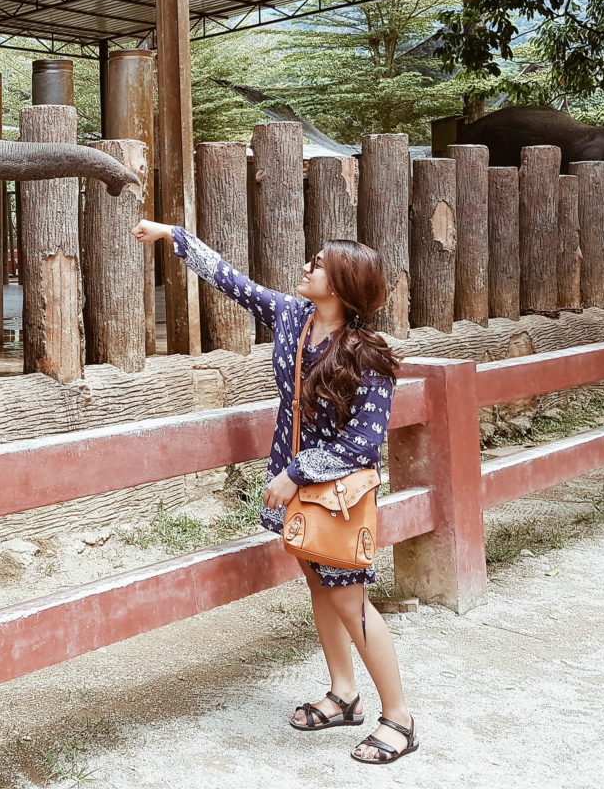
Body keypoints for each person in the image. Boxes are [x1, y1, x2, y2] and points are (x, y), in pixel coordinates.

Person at [130, 218, 417, 765]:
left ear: (339, 284)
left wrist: (294, 473)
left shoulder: (367, 356)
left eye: (318, 263)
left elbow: (363, 444)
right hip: (299, 491)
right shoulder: (292, 317)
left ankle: (399, 716)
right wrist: (175, 237)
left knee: (351, 601)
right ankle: (343, 693)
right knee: (317, 584)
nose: (306, 267)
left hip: (334, 495)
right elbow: (230, 280)